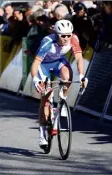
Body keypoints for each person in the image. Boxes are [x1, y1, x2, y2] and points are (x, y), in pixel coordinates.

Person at [30, 20, 88, 148]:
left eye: (68, 35)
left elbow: (79, 59)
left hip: (58, 61)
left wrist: (82, 76)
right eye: (63, 35)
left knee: (68, 77)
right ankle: (42, 133)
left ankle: (62, 101)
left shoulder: (73, 39)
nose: (66, 38)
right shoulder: (47, 42)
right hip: (43, 65)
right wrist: (35, 79)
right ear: (56, 34)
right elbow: (35, 64)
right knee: (45, 98)